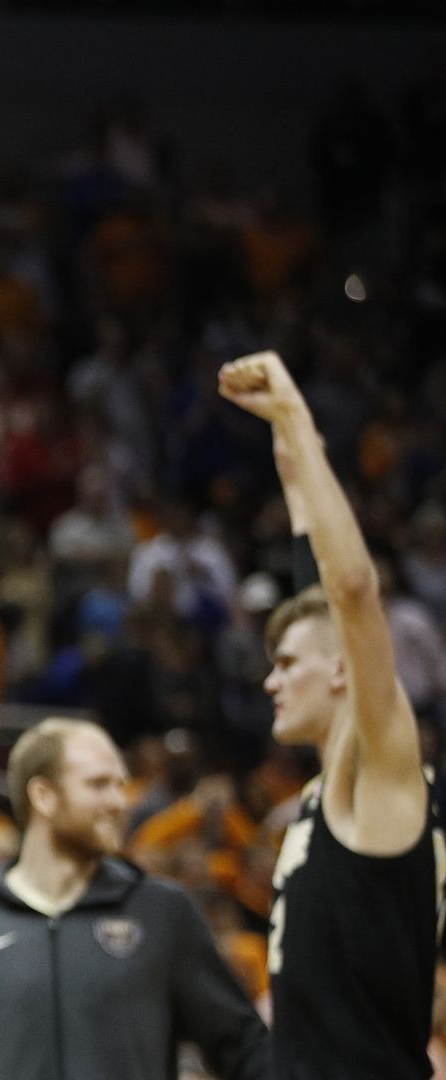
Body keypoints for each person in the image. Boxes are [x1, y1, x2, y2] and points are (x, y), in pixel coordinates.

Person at [219, 351, 444, 1079]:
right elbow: (311, 562)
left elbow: (349, 588)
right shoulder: (322, 794)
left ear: (343, 670)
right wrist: (294, 454)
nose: (271, 681)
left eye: (288, 665)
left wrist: (294, 410)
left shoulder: (380, 775)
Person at [0, 718, 268, 1080]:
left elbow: (243, 1047)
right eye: (98, 784)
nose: (119, 802)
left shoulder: (162, 913)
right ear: (43, 795)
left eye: (120, 785)